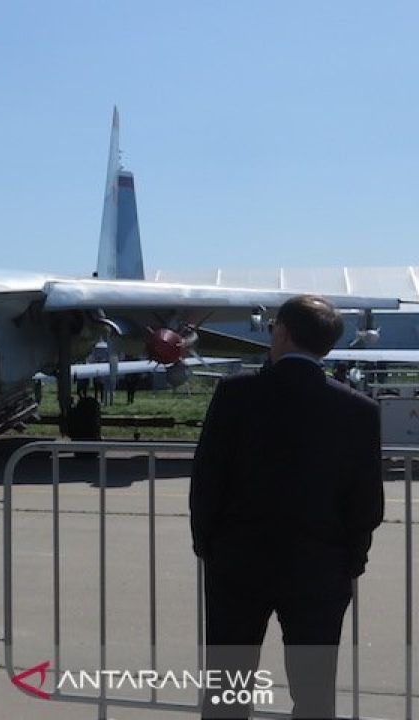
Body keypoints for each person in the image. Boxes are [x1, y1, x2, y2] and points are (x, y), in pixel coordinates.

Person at [190, 295, 384, 719]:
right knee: (314, 694)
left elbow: (207, 480)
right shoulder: (360, 410)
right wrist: (350, 561)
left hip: (238, 564)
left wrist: (209, 546)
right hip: (320, 568)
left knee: (228, 687)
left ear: (281, 333)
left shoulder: (235, 395)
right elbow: (366, 501)